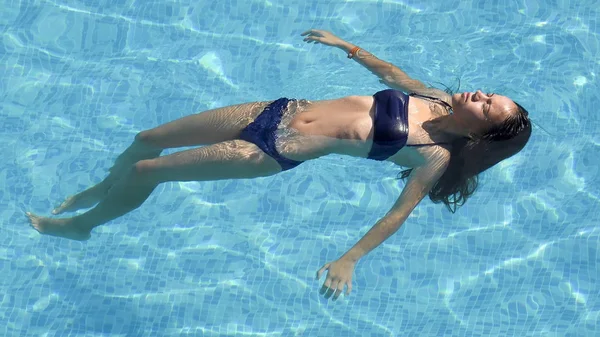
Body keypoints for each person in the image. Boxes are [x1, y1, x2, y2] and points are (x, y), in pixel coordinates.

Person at [26, 29, 532, 301]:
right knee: (143, 141)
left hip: (271, 151)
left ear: (478, 133)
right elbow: (392, 73)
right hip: (277, 110)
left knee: (144, 173)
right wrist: (348, 47)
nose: (481, 95)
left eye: (488, 107)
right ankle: (102, 188)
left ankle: (82, 226)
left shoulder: (432, 155)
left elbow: (397, 214)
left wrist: (349, 258)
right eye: (490, 94)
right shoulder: (438, 98)